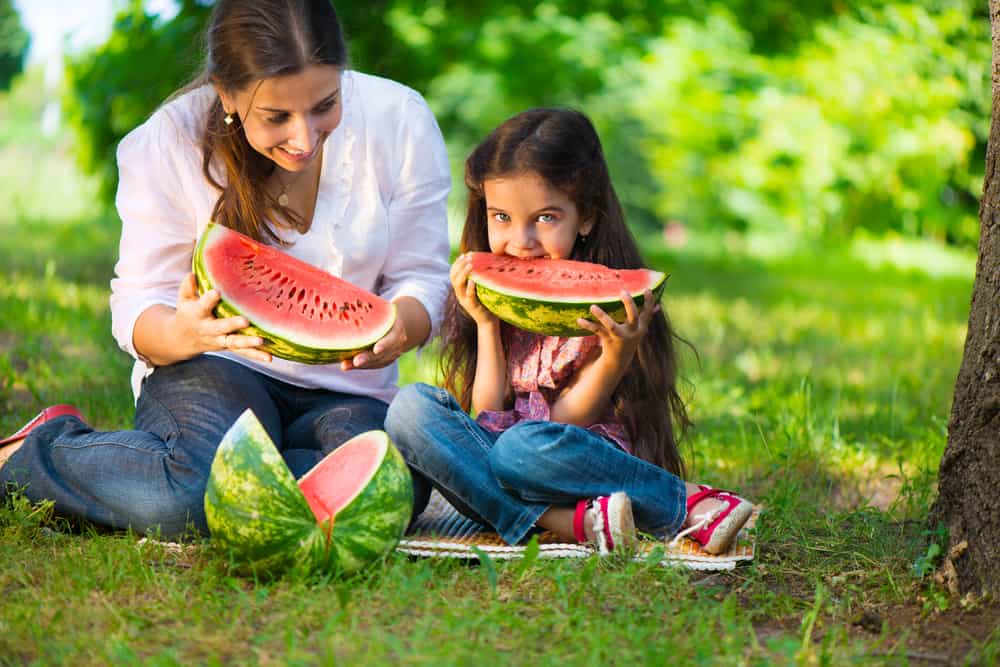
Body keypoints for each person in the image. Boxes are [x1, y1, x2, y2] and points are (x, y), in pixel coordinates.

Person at [0, 0, 450, 537]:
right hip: (214, 367)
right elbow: (138, 303)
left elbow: (422, 276)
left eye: (325, 106)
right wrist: (181, 332)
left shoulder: (399, 119)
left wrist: (404, 322)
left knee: (391, 490)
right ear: (227, 93)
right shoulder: (168, 141)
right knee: (191, 501)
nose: (304, 138)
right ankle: (42, 452)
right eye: (276, 117)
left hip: (350, 389)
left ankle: (230, 473)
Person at [385, 108, 752, 555]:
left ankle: (686, 503)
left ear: (586, 217)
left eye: (544, 218)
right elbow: (487, 415)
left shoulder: (604, 309)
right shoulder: (498, 302)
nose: (520, 242)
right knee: (408, 408)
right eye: (501, 217)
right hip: (502, 467)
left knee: (521, 449)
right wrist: (486, 325)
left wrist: (615, 357)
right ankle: (571, 524)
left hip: (570, 464)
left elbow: (566, 425)